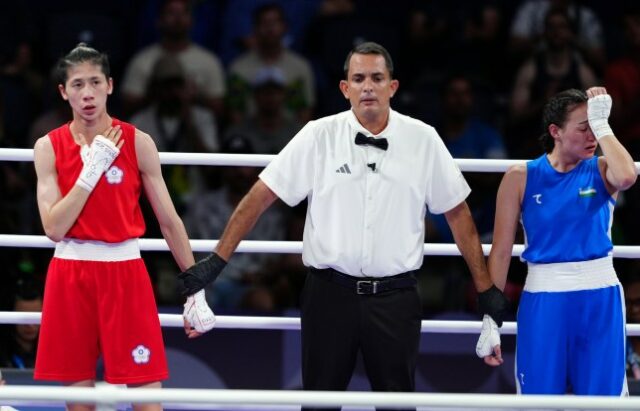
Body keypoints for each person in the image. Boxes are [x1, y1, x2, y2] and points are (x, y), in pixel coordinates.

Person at [178, 42, 508, 410]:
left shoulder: (423, 139)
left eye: (376, 78)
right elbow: (260, 196)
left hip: (395, 297)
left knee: (397, 405)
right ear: (344, 88)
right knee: (320, 403)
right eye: (359, 78)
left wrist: (486, 291)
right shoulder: (318, 135)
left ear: (393, 87)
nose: (368, 86)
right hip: (329, 295)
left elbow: (458, 214)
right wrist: (216, 261)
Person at [31, 43, 214, 411]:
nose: (88, 93)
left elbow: (168, 220)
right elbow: (53, 227)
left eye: (95, 82)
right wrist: (90, 171)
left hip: (126, 274)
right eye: (78, 84)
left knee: (147, 400)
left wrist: (196, 287)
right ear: (63, 92)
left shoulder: (138, 142)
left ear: (110, 86)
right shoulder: (48, 147)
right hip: (71, 274)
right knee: (79, 404)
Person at [487, 86, 637, 395]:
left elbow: (627, 177)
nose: (591, 137)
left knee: (604, 401)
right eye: (584, 128)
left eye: (595, 128)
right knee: (539, 399)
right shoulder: (520, 176)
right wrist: (491, 317)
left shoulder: (602, 168)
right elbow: (501, 252)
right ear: (555, 131)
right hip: (544, 297)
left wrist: (603, 124)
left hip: (600, 296)